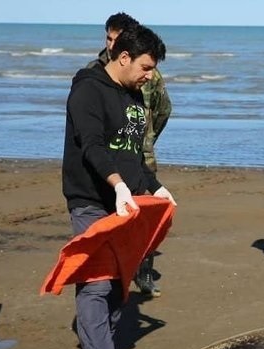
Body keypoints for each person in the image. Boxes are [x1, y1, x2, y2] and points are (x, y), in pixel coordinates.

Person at [63, 23, 176, 349]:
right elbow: (92, 146)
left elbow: (133, 155)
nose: (150, 75)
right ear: (123, 57)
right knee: (95, 283)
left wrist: (157, 188)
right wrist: (119, 186)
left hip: (126, 202)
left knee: (117, 285)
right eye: (145, 67)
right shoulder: (87, 90)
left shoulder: (133, 96)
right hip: (93, 200)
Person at [87, 12, 172, 298]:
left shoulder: (148, 71)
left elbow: (163, 109)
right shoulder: (94, 72)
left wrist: (146, 140)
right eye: (108, 38)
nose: (111, 44)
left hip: (140, 155)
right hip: (107, 158)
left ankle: (143, 271)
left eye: (117, 39)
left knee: (142, 221)